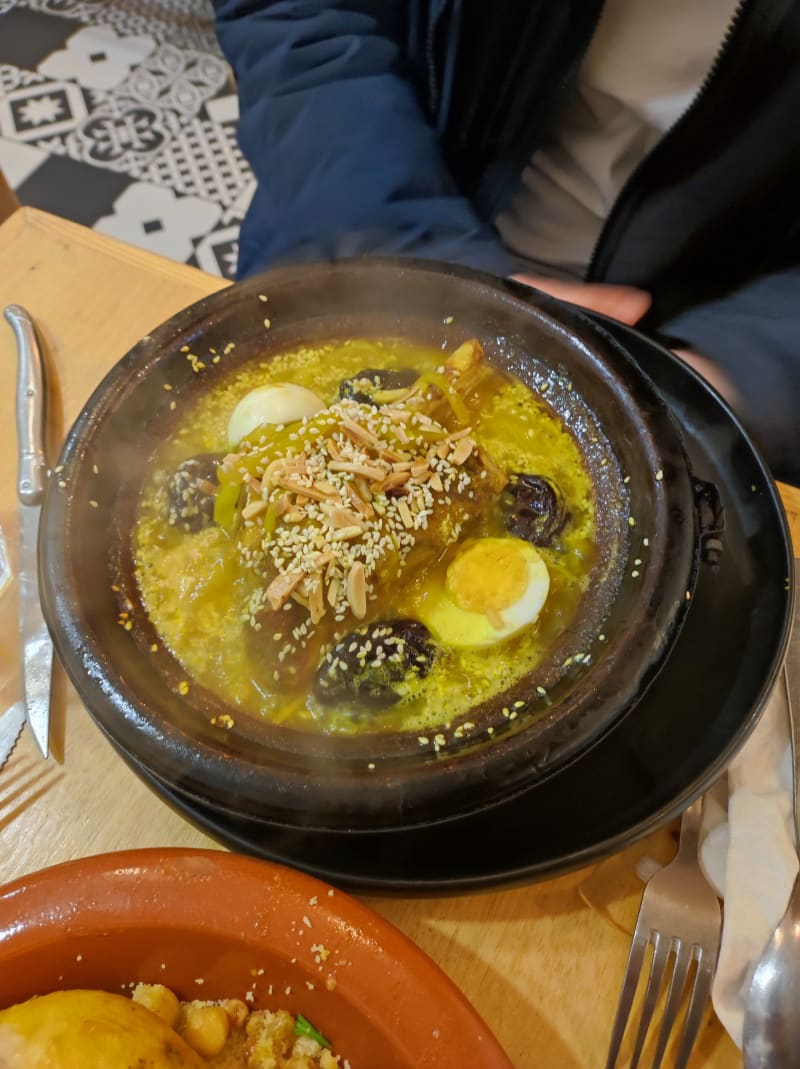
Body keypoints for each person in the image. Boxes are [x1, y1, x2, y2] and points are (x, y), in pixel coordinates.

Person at [211, 0, 800, 486]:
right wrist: (422, 258)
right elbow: (301, 22)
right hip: (361, 224)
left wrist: (733, 370)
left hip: (682, 331)